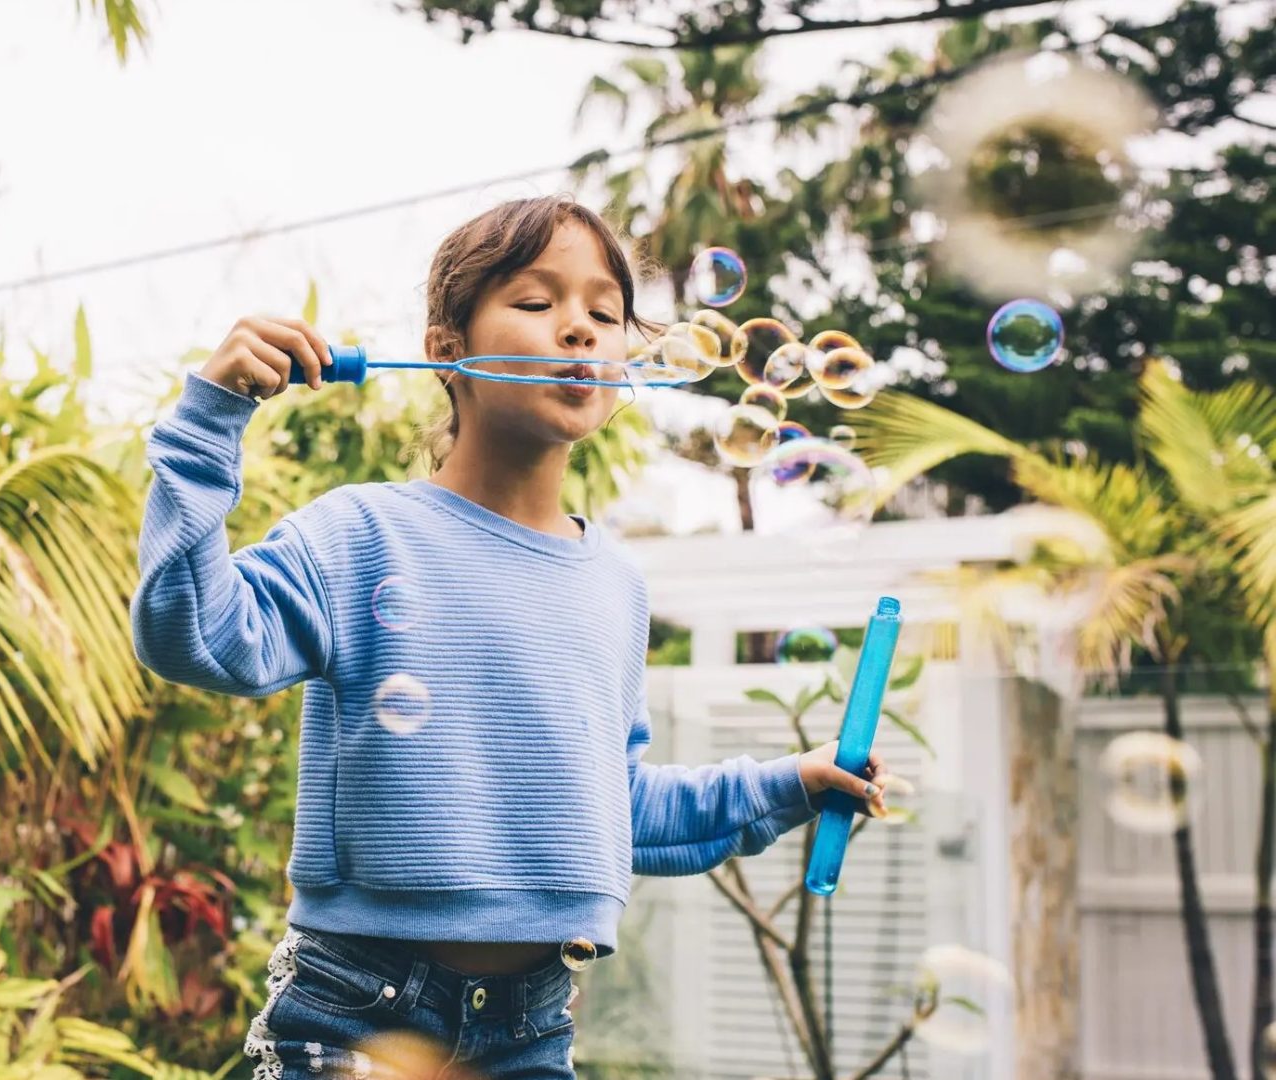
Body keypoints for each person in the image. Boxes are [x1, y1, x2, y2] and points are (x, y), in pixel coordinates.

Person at [131, 195, 891, 1080]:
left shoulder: (615, 584)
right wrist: (209, 422)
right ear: (447, 347)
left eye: (605, 315)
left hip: (530, 1032)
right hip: (356, 1017)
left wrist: (786, 785)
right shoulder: (360, 537)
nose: (579, 330)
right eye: (536, 303)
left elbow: (617, 812)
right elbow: (193, 637)